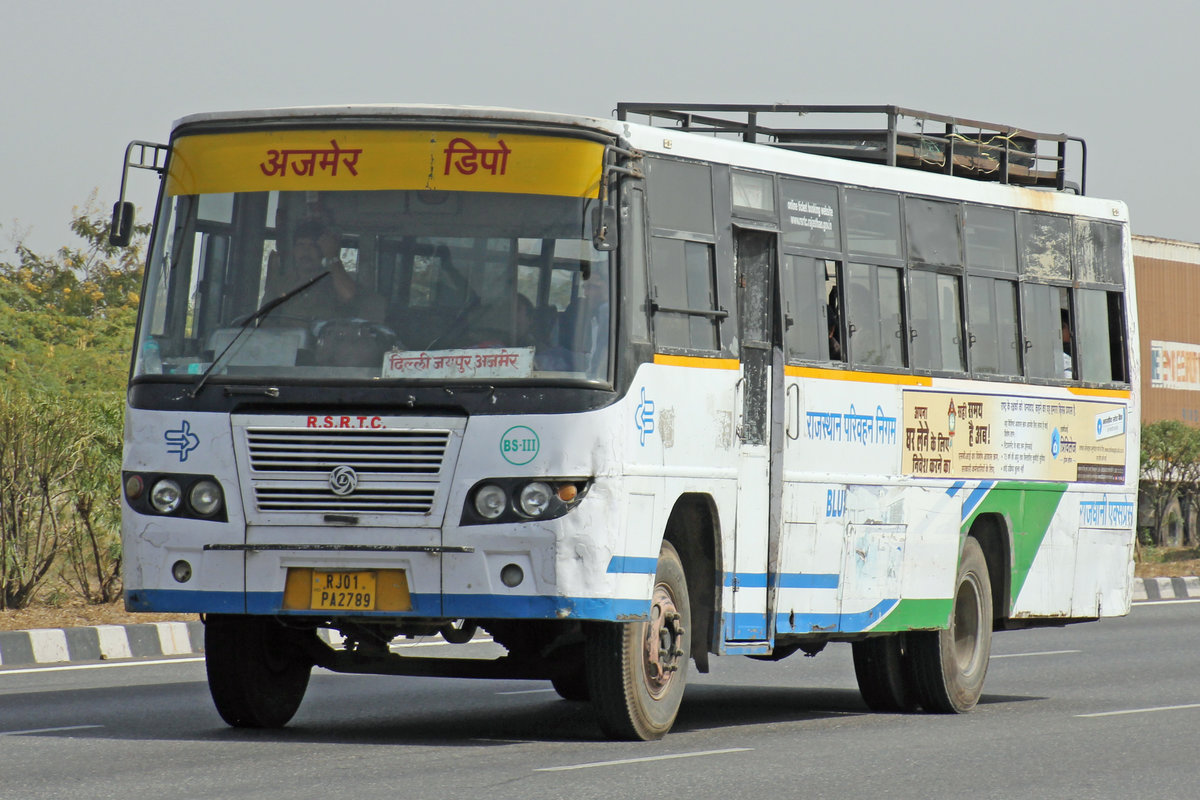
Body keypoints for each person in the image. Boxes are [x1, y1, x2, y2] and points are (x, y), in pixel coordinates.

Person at [263, 219, 384, 322]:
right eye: (301, 245)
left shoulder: (335, 282)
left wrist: (332, 257)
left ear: (323, 250)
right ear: (294, 250)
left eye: (313, 245)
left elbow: (348, 295)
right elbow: (265, 324)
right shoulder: (279, 285)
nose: (306, 251)